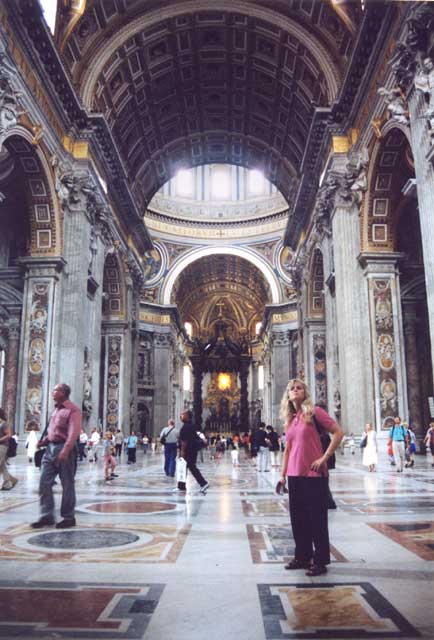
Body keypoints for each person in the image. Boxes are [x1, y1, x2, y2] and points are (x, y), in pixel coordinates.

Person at [279, 378, 343, 577]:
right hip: (294, 474)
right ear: (288, 395)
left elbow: (338, 432)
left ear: (305, 393)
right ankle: (303, 556)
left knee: (317, 519)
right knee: (298, 518)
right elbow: (288, 450)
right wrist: (282, 476)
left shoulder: (314, 412)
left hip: (314, 473)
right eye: (292, 389)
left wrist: (325, 457)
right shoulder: (290, 419)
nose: (295, 390)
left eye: (299, 388)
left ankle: (321, 560)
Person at [31, 383, 81, 529]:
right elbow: (53, 430)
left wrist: (65, 450)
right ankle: (47, 516)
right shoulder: (56, 410)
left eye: (56, 390)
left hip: (65, 448)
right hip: (50, 448)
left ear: (64, 393)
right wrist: (44, 441)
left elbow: (73, 433)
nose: (53, 392)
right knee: (44, 482)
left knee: (67, 484)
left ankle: (68, 517)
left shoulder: (73, 410)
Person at [176, 410, 209, 493]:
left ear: (187, 416)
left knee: (190, 468)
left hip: (187, 451)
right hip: (192, 450)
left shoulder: (186, 427)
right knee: (186, 467)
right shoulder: (191, 425)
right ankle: (181, 486)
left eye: (182, 414)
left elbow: (184, 441)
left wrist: (182, 452)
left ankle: (203, 483)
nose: (181, 416)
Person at [0, 408, 18, 491]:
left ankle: (8, 482)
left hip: (2, 446)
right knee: (2, 466)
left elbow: (9, 435)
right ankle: (9, 482)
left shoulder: (4, 424)